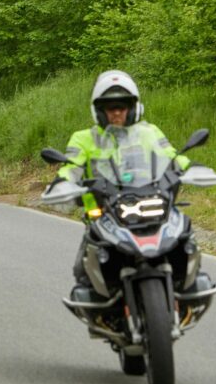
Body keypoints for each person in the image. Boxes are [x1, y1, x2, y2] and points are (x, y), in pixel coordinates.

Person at [50, 70, 191, 285]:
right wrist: (63, 182)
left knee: (184, 237)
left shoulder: (149, 132)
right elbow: (71, 166)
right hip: (103, 213)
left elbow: (171, 156)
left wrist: (189, 169)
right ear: (99, 110)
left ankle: (188, 283)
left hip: (150, 206)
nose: (116, 113)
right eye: (110, 107)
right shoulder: (83, 139)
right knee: (83, 274)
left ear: (132, 108)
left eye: (122, 107)